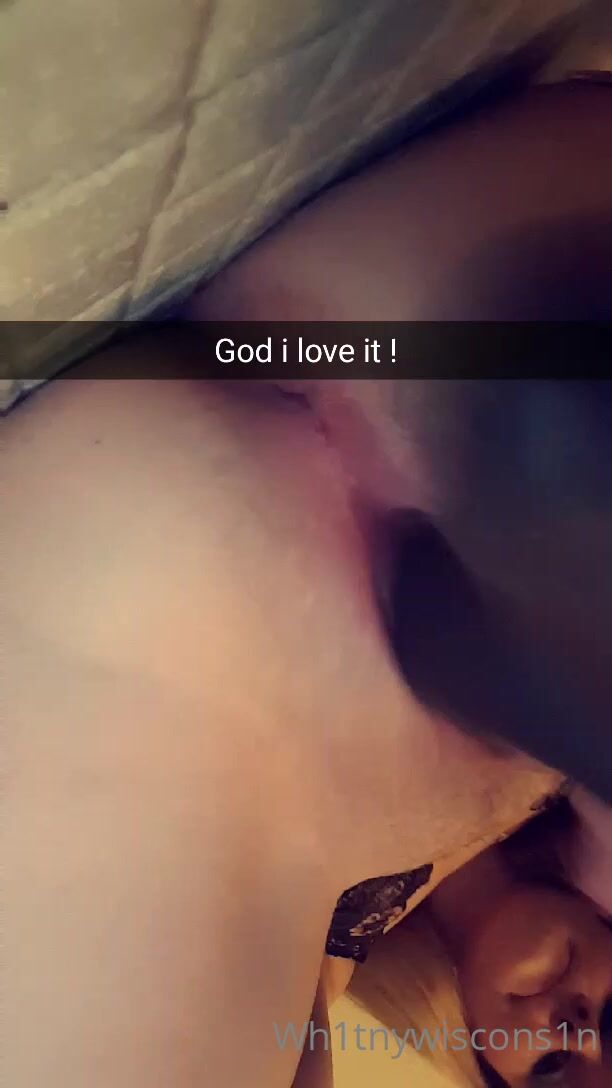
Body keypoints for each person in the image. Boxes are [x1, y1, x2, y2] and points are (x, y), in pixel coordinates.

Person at [6, 81, 611, 1088]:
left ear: (478, 1056)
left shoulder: (352, 946)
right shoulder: (547, 806)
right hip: (374, 341)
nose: (576, 1024)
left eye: (553, 1070)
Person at [350, 795, 612, 1087]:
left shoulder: (330, 924)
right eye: (611, 1018)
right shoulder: (569, 785)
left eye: (553, 1064)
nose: (581, 1036)